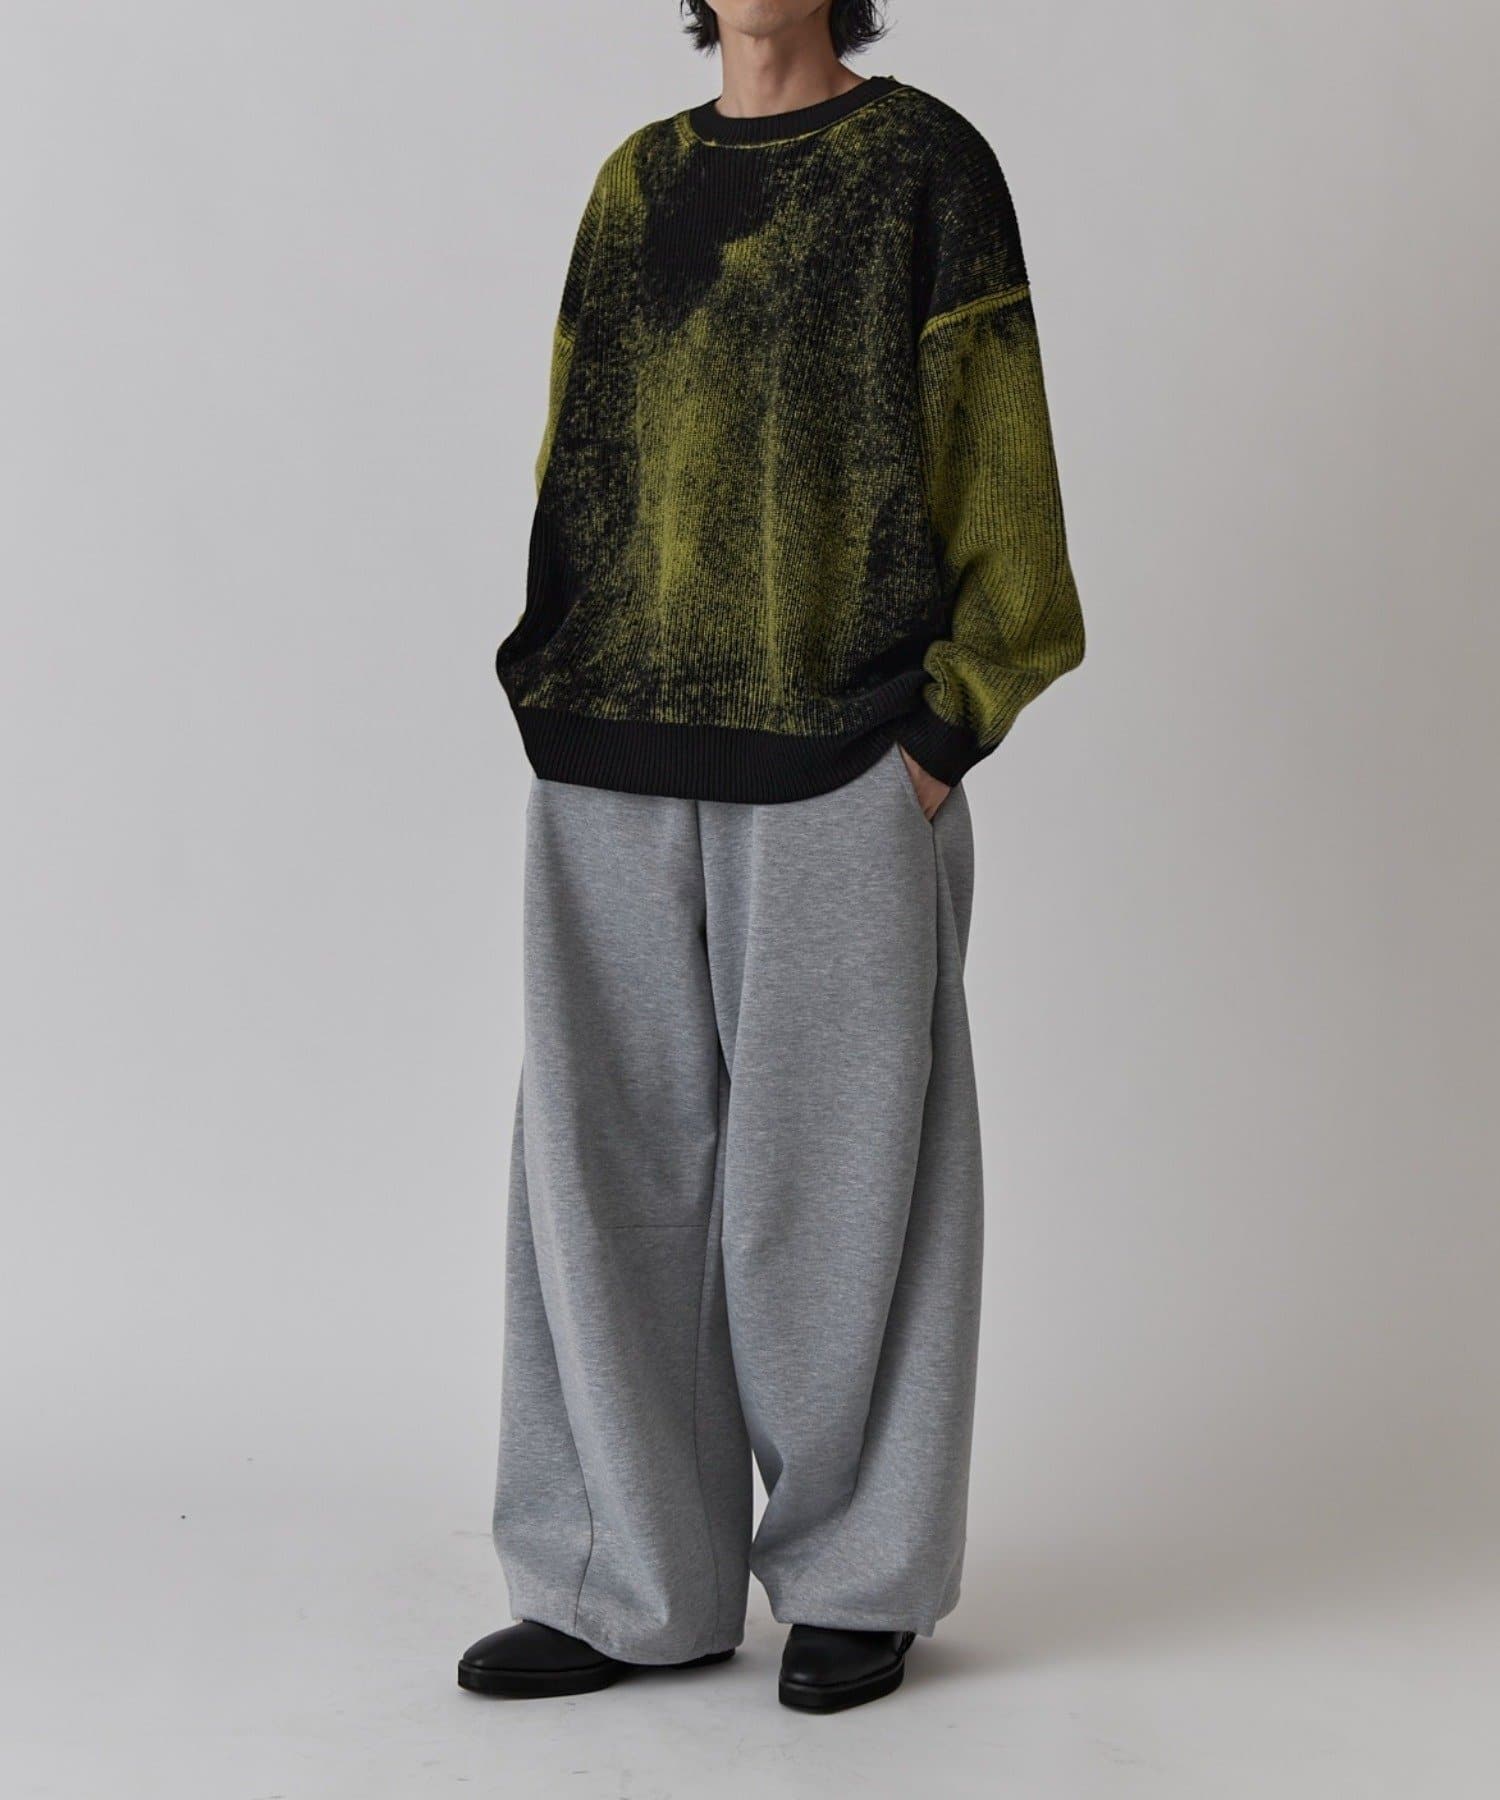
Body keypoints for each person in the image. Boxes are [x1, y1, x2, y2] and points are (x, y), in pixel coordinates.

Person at [459, 0, 1083, 1714]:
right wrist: (554, 680)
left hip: (846, 761)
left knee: (848, 1178)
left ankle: (858, 1575)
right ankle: (623, 1581)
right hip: (608, 755)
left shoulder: (924, 168)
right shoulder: (633, 183)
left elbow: (1002, 466)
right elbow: (576, 455)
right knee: (598, 1172)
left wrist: (942, 734)